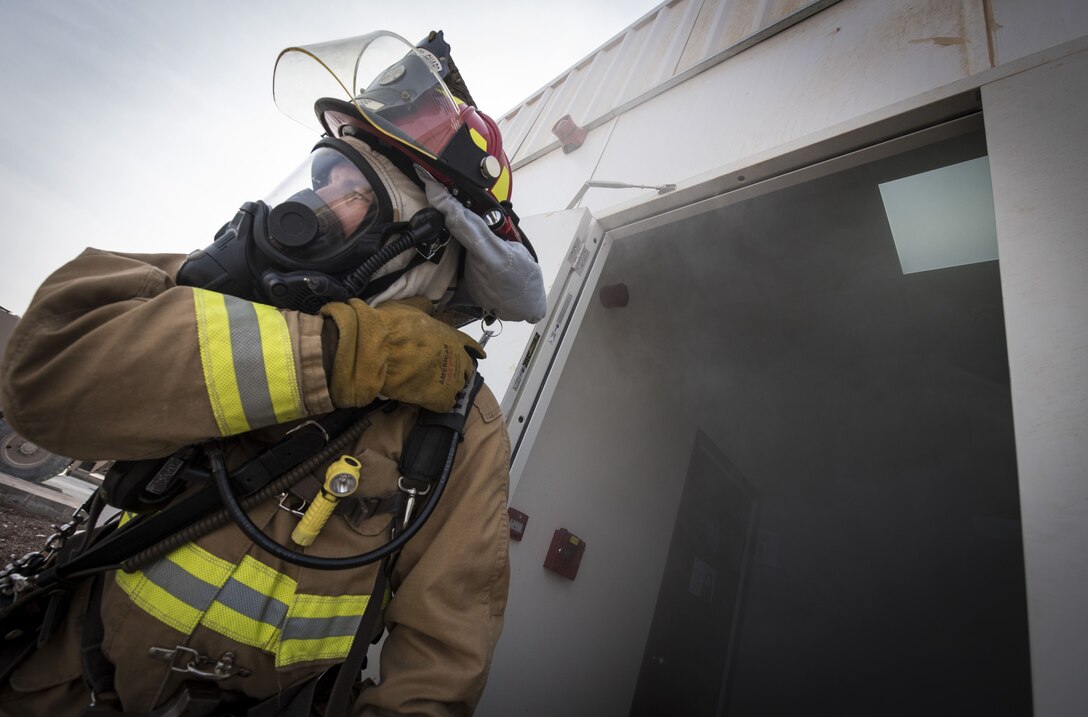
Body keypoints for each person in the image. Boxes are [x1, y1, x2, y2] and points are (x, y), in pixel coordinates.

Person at [0, 29, 544, 716]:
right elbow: (42, 375)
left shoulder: (460, 423)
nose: (311, 209)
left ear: (428, 250)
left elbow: (438, 671)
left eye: (356, 193)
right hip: (63, 688)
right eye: (324, 177)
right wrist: (342, 355)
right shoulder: (222, 293)